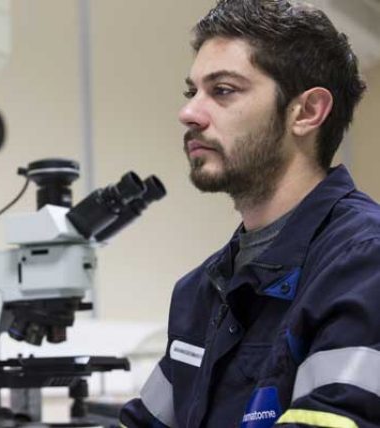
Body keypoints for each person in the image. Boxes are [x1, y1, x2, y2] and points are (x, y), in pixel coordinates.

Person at [119, 0, 379, 427]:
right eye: (192, 92)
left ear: (308, 112)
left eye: (222, 90)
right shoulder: (200, 292)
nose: (189, 113)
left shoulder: (363, 264)